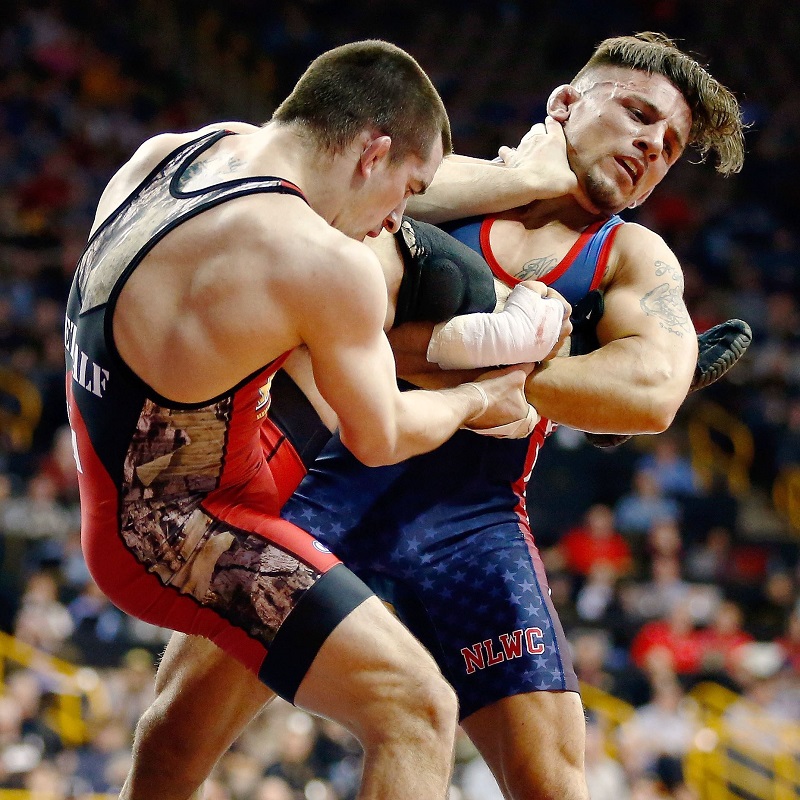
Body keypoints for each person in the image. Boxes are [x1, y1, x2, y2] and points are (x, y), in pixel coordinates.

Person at [105, 33, 749, 800]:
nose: (651, 145)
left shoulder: (633, 253)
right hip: (327, 480)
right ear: (566, 105)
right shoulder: (433, 181)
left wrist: (499, 365)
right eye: (639, 115)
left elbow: (650, 392)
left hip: (470, 520)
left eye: (670, 145)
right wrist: (507, 346)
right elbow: (327, 269)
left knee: (552, 781)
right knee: (177, 736)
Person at [63, 40, 538, 800]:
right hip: (180, 531)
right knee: (417, 709)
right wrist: (478, 401)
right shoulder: (322, 261)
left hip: (125, 475)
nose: (394, 218)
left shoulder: (175, 152)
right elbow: (378, 439)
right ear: (371, 152)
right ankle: (521, 338)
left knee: (178, 733)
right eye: (406, 190)